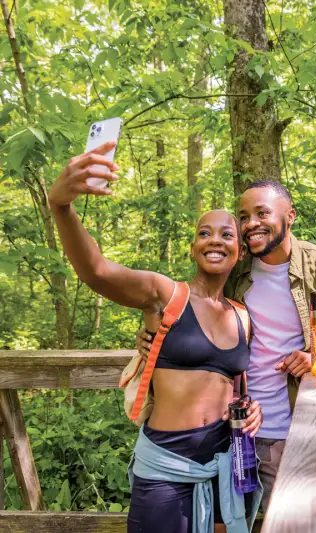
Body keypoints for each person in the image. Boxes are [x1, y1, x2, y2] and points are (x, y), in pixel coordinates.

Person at [48, 140, 264, 533]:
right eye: (204, 232)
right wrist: (61, 206)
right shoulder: (165, 295)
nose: (215, 239)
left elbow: (232, 386)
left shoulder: (242, 315)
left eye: (227, 234)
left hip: (224, 461)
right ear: (193, 246)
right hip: (165, 466)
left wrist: (251, 409)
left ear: (239, 251)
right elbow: (95, 270)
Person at [136, 179, 316, 514]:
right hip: (228, 431)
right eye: (243, 216)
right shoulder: (232, 265)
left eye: (261, 213)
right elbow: (189, 310)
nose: (251, 224)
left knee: (289, 519)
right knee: (227, 520)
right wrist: (150, 336)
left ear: (290, 215)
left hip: (289, 430)